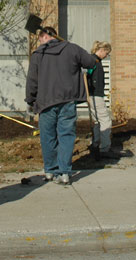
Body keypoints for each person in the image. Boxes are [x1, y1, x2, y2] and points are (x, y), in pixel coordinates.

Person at [25, 26, 98, 186]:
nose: (40, 42)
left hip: (46, 102)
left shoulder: (38, 55)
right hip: (67, 101)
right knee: (66, 135)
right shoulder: (72, 48)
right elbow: (90, 62)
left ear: (44, 37)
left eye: (40, 39)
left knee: (47, 137)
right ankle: (64, 172)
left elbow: (32, 80)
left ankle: (50, 170)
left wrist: (30, 100)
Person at [86, 40, 113, 160]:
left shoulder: (95, 61)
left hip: (94, 95)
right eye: (106, 53)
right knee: (105, 121)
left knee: (97, 121)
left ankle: (96, 143)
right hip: (95, 95)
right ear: (101, 50)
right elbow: (85, 76)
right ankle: (104, 147)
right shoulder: (94, 61)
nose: (106, 56)